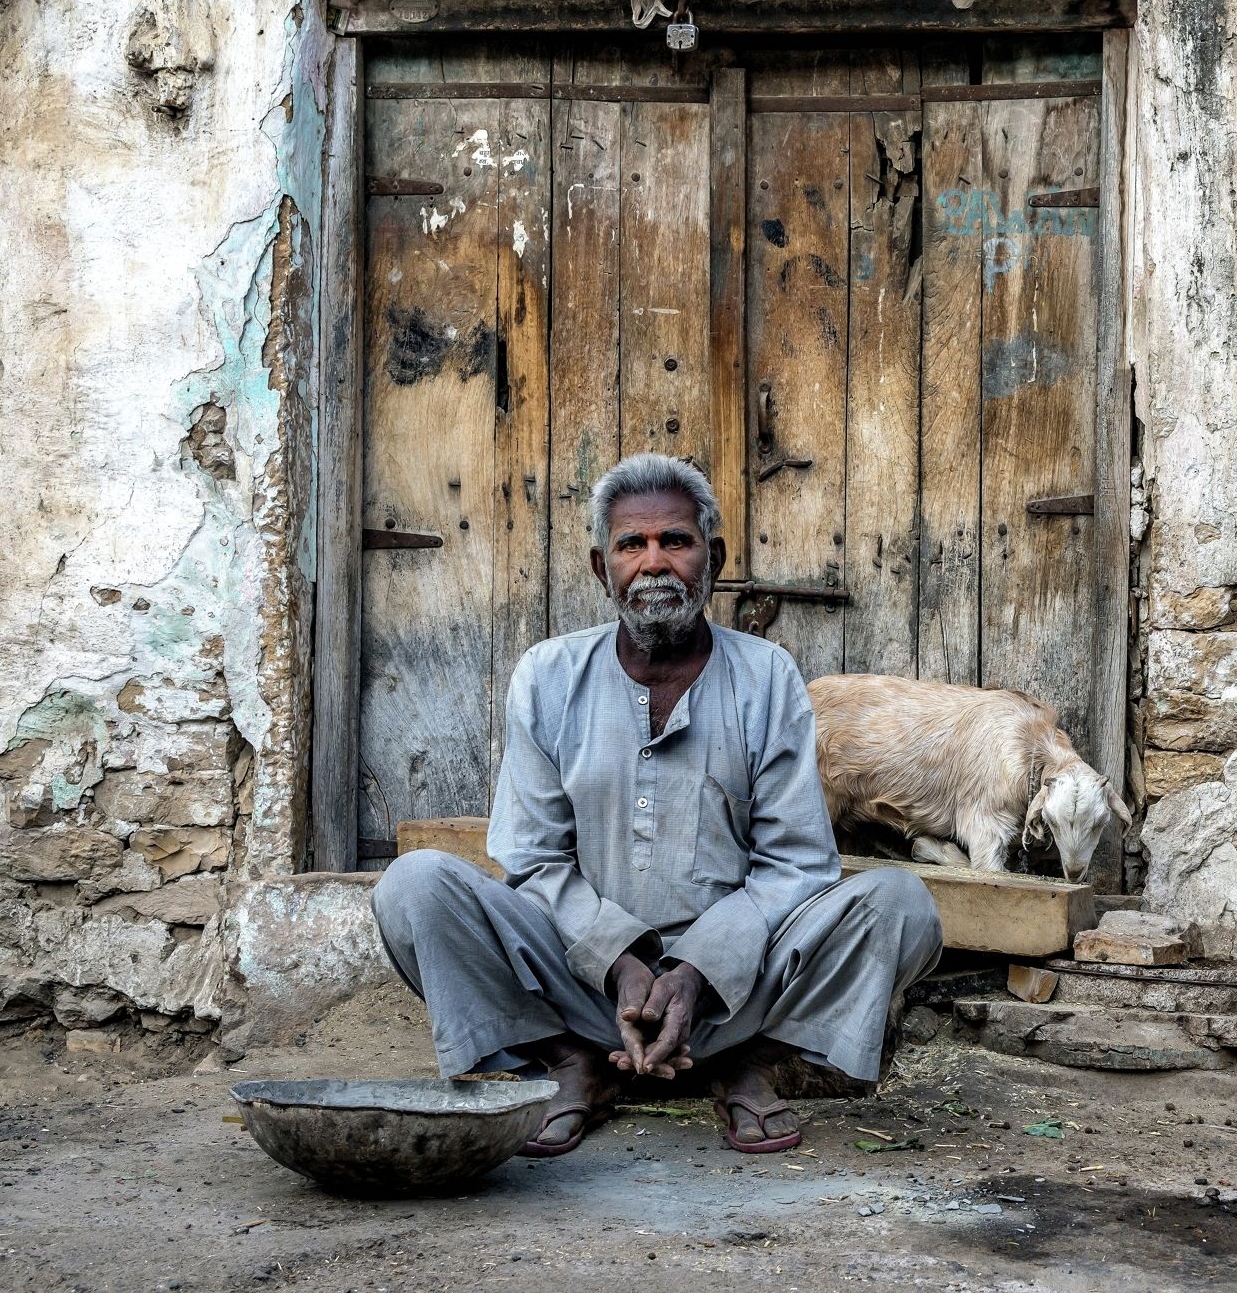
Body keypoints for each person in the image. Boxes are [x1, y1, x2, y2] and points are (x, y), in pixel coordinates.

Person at [372, 452, 943, 1157]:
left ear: (714, 556)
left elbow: (794, 863)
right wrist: (621, 962)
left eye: (675, 540)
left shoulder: (767, 677)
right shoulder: (547, 677)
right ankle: (569, 1058)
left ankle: (748, 1060)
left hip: (740, 986)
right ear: (599, 566)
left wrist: (697, 972)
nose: (654, 562)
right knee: (414, 887)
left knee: (901, 906)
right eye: (631, 544)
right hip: (585, 984)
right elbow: (533, 858)